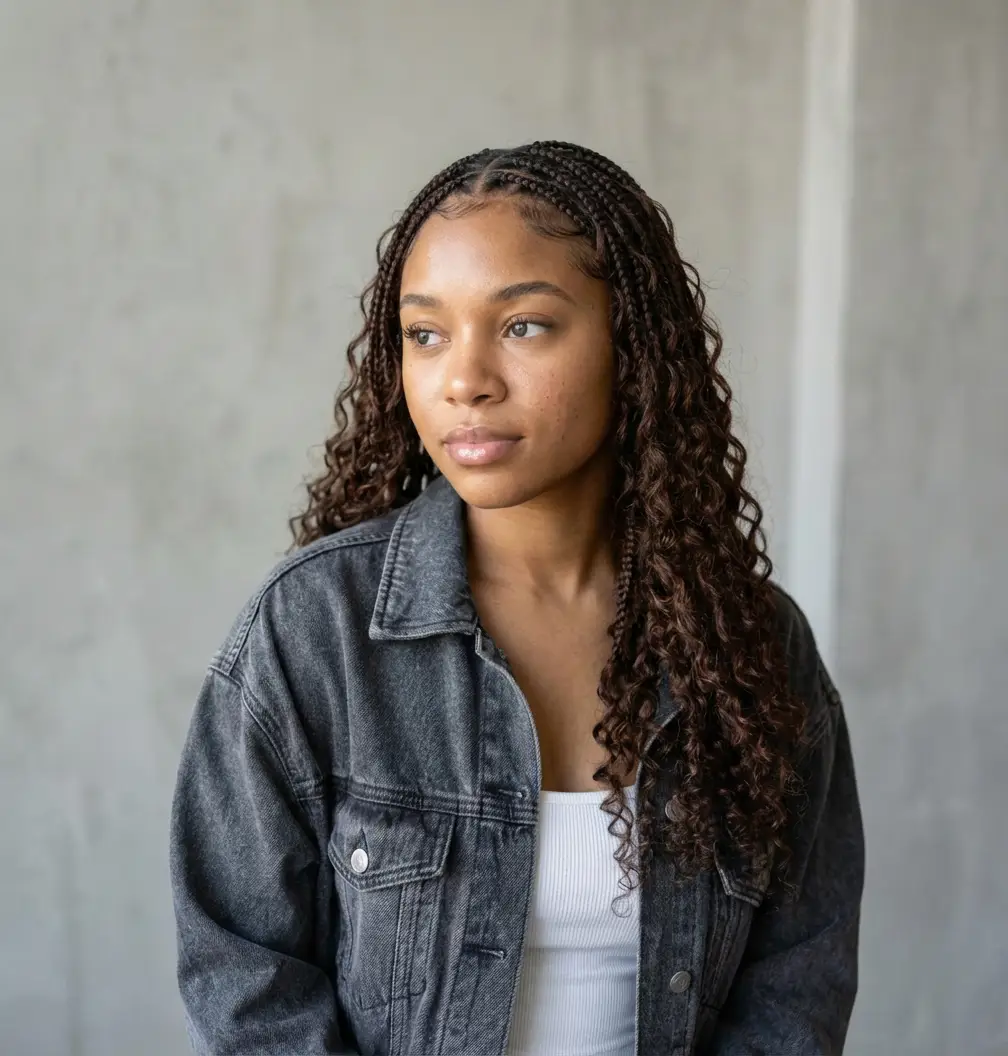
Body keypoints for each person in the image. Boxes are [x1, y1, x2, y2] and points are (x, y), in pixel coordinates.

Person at [169, 141, 864, 1056]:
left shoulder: (751, 648)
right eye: (426, 334)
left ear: (633, 344)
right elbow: (243, 978)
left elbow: (795, 987)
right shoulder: (313, 633)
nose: (464, 379)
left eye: (524, 326)